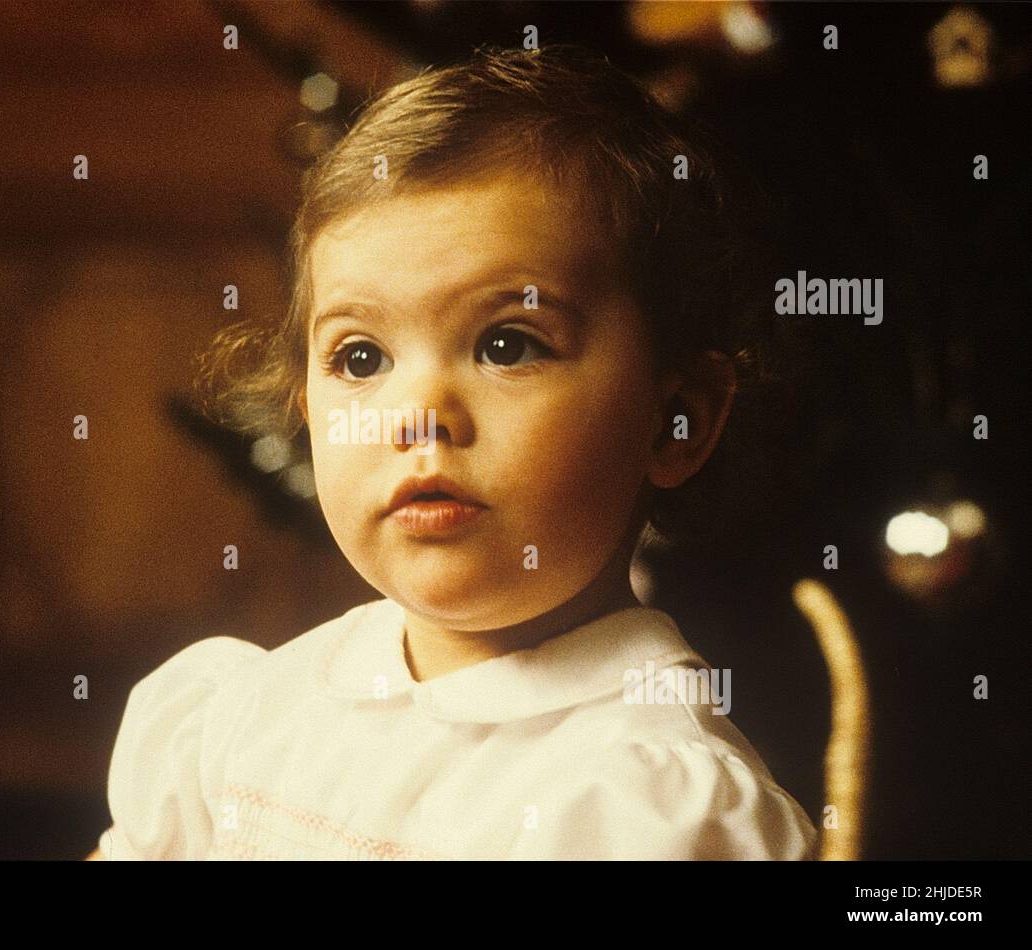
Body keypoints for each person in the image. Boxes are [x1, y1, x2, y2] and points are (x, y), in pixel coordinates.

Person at [90, 44, 817, 860]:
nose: (418, 414)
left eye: (508, 345)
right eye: (360, 358)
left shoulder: (643, 803)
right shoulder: (250, 713)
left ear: (673, 419)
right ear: (308, 415)